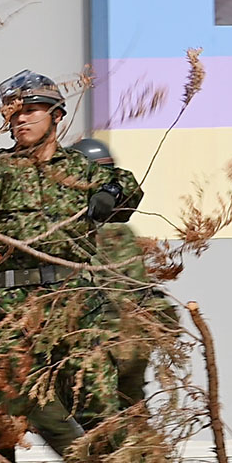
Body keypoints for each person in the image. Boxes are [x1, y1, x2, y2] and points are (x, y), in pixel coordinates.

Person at [0, 70, 143, 463]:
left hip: (75, 303)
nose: (21, 120)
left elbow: (127, 188)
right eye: (15, 113)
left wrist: (110, 193)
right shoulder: (0, 170)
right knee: (6, 404)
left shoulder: (78, 168)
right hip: (15, 308)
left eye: (33, 111)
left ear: (57, 115)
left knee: (96, 400)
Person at [70, 138, 179, 408]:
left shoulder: (81, 235)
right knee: (132, 407)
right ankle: (144, 449)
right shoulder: (123, 230)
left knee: (99, 413)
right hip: (135, 334)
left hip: (104, 338)